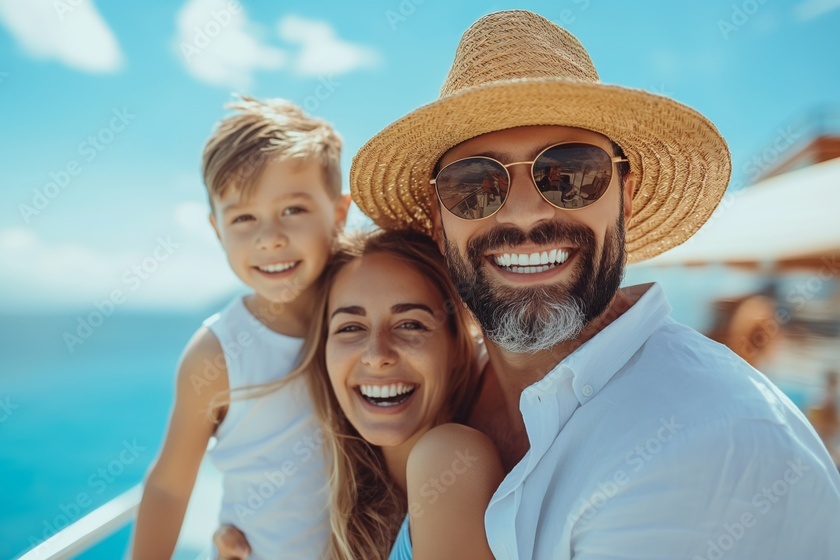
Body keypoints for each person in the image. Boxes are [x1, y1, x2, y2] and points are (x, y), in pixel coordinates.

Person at [348, 10, 840, 559]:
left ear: (624, 199)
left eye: (572, 172)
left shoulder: (712, 444)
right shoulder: (448, 387)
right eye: (475, 185)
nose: (526, 214)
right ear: (441, 223)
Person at [130, 95, 350, 560]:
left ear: (340, 213)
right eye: (243, 218)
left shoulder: (369, 314)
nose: (269, 237)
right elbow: (170, 487)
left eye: (293, 209)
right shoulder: (217, 354)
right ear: (216, 230)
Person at [214, 229, 503, 560]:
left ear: (456, 347)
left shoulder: (451, 456)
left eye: (410, 324)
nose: (377, 354)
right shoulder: (346, 511)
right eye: (350, 328)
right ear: (325, 352)